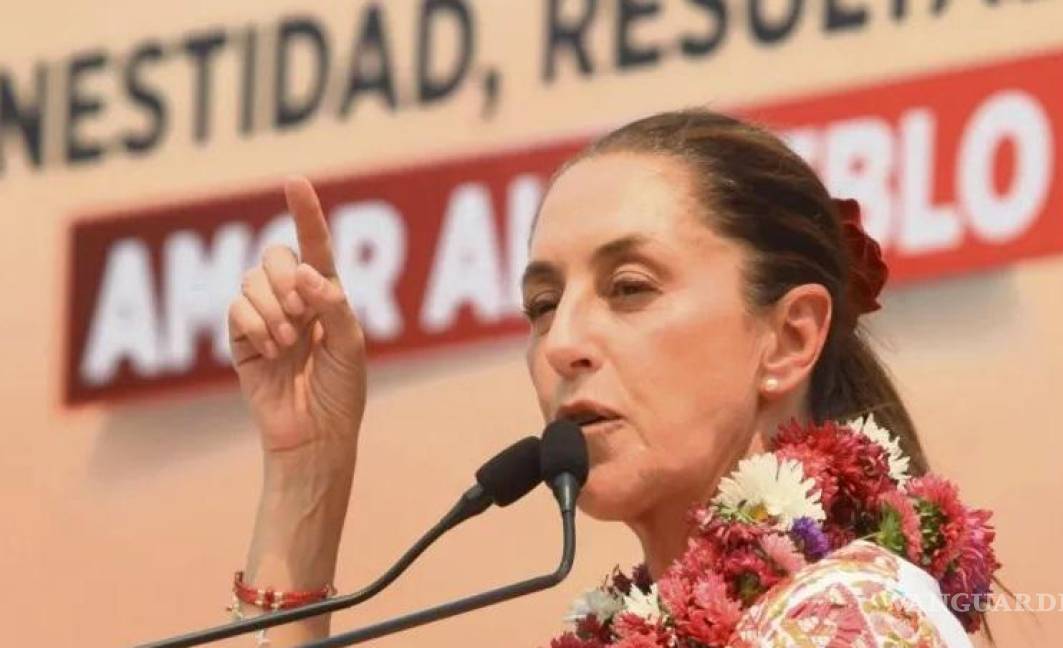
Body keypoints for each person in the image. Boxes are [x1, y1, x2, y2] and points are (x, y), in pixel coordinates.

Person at [226, 109, 997, 646]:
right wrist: (306, 469)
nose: (562, 343)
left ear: (788, 339)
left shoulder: (849, 619)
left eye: (629, 288)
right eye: (541, 304)